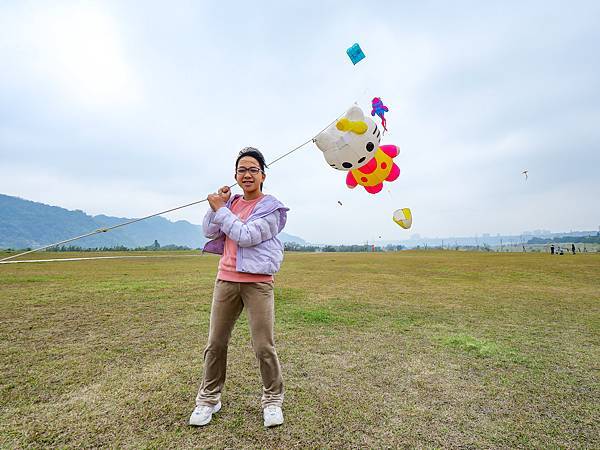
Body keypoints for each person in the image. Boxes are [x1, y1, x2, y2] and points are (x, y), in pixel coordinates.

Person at [189, 147, 289, 428]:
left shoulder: (272, 209)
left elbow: (245, 236)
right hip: (226, 280)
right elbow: (210, 231)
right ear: (235, 176)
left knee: (263, 346)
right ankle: (209, 399)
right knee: (215, 343)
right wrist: (217, 206)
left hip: (257, 283)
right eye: (242, 170)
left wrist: (221, 210)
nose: (247, 174)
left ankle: (272, 400)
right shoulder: (230, 204)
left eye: (253, 170)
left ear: (262, 176)